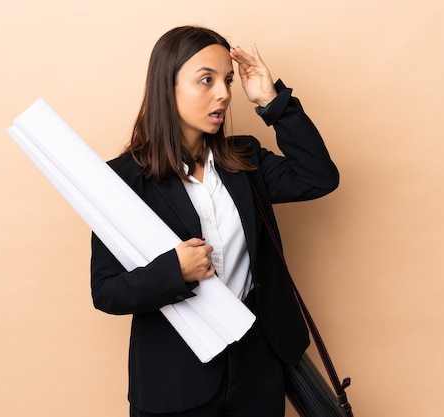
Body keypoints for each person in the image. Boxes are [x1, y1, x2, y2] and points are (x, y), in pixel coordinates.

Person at [90, 25, 339, 417]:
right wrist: (174, 271)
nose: (223, 93)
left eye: (226, 81)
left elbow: (318, 177)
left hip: (258, 367)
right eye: (206, 80)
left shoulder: (246, 162)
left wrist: (273, 102)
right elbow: (106, 291)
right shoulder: (123, 181)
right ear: (166, 87)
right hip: (175, 379)